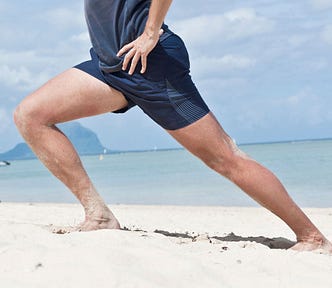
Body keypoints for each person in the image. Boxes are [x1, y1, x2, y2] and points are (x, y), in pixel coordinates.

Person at [14, 0, 331, 253]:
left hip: (151, 63)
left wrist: (151, 32)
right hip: (111, 65)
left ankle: (312, 237)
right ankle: (98, 215)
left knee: (225, 158)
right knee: (30, 115)